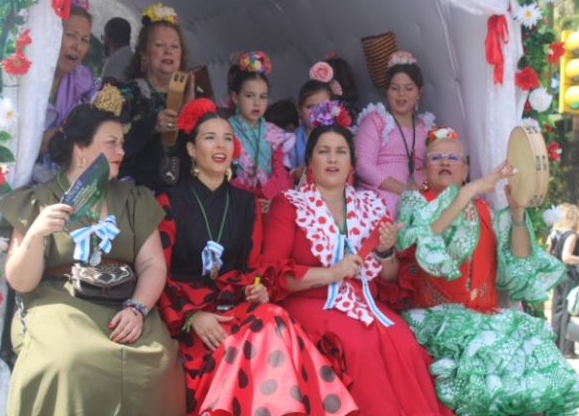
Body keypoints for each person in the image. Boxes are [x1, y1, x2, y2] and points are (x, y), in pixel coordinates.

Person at [156, 98, 358, 416]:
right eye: (209, 138)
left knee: (273, 316)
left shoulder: (246, 202)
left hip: (232, 304)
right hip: (190, 315)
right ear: (192, 150)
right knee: (269, 330)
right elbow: (157, 273)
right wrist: (193, 317)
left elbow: (253, 270)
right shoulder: (169, 201)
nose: (221, 145)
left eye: (227, 138)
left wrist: (259, 288)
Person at [0, 85, 185, 415]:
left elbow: (153, 264)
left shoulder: (133, 198)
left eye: (122, 143)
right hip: (61, 302)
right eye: (111, 142)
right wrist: (37, 233)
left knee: (157, 362)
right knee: (70, 360)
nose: (121, 151)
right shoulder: (39, 199)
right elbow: (21, 282)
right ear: (80, 148)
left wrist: (137, 308)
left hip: (123, 301)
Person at [262, 100, 453, 416]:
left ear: (352, 162)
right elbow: (272, 275)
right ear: (309, 159)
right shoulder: (290, 204)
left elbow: (389, 278)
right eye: (323, 151)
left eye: (341, 151)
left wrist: (386, 251)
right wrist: (331, 273)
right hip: (310, 300)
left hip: (364, 302)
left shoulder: (371, 205)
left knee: (403, 342)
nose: (332, 159)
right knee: (358, 346)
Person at [396, 127, 579, 416]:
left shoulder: (485, 211)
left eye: (453, 157)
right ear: (424, 170)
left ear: (465, 170)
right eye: (436, 157)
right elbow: (426, 234)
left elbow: (519, 258)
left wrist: (517, 212)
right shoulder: (414, 203)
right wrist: (470, 190)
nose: (445, 162)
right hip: (438, 322)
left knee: (533, 392)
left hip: (485, 320)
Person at [117, 3, 197, 193]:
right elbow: (105, 139)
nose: (168, 51)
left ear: (181, 55)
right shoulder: (122, 91)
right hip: (136, 189)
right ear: (143, 53)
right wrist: (151, 125)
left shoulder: (194, 91)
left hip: (184, 190)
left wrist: (191, 112)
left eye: (174, 46)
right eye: (159, 45)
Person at [354, 51, 435, 215]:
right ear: (386, 90)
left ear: (420, 92)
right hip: (381, 193)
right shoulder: (376, 120)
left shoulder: (427, 129)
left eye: (409, 88)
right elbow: (364, 166)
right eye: (394, 88)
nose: (401, 94)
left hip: (421, 195)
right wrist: (404, 190)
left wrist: (419, 193)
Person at [228, 51, 294, 213]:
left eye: (263, 97)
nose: (257, 103)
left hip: (270, 199)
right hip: (238, 203)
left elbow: (279, 169)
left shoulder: (273, 133)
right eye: (249, 96)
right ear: (235, 97)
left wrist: (271, 198)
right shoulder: (225, 131)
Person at [40, 0, 100, 157]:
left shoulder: (84, 83)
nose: (78, 46)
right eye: (71, 36)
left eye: (84, 40)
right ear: (53, 35)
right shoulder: (26, 78)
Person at [548, 203, 579, 358]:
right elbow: (567, 257)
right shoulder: (571, 234)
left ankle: (554, 346)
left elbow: (548, 253)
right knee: (568, 311)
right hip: (569, 275)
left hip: (557, 275)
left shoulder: (555, 233)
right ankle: (566, 349)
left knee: (556, 312)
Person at [288, 65, 337, 183]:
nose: (317, 112)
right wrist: (294, 174)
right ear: (299, 109)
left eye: (323, 106)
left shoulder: (339, 135)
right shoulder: (292, 140)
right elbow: (283, 171)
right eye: (310, 107)